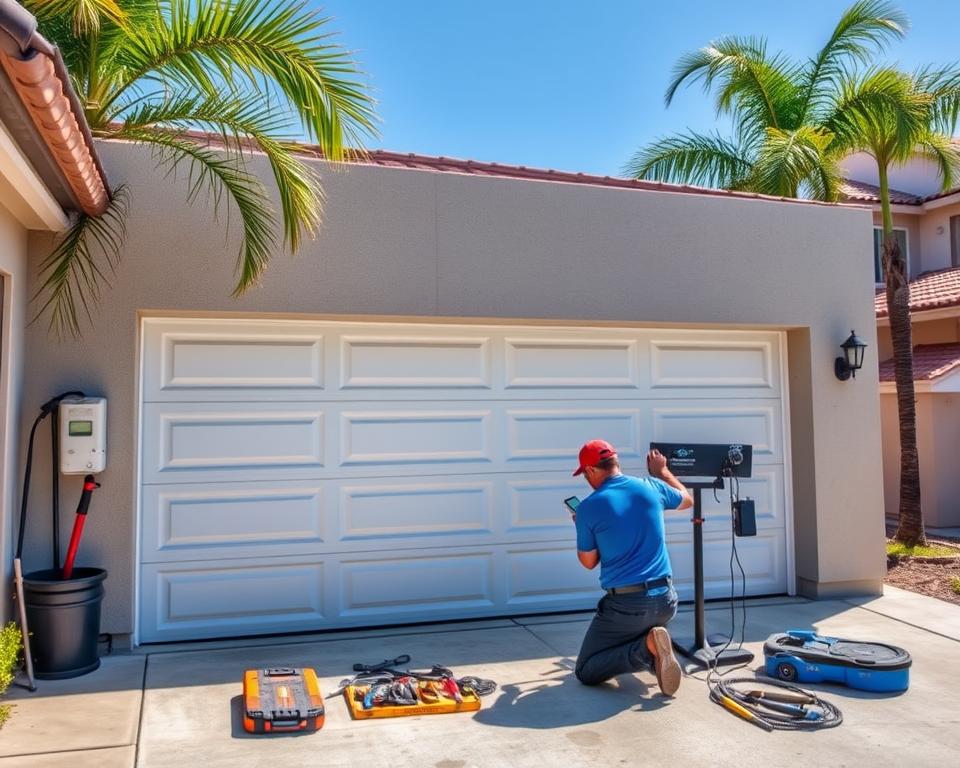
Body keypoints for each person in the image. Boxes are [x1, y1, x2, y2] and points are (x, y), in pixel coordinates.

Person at [570, 439, 692, 696]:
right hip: (666, 601)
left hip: (627, 607)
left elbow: (588, 563)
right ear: (616, 463)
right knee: (635, 626)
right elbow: (686, 500)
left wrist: (581, 524)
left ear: (591, 470)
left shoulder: (589, 508)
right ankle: (654, 649)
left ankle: (647, 649)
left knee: (586, 670)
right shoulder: (651, 486)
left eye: (585, 474)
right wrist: (663, 472)